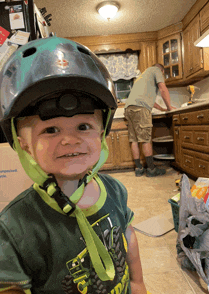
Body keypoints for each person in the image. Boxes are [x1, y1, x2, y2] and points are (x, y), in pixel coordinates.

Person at [0, 36, 150, 294]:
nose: (70, 140)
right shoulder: (16, 227)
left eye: (83, 126)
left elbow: (128, 238)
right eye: (51, 129)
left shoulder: (115, 190)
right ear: (22, 142)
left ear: (102, 132)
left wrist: (137, 283)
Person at [124, 63, 175, 177]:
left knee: (134, 139)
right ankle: (151, 170)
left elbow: (148, 99)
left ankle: (139, 169)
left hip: (129, 108)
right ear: (161, 71)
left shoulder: (143, 76)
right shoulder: (156, 70)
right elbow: (163, 89)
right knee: (146, 139)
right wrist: (170, 108)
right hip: (141, 109)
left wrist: (163, 108)